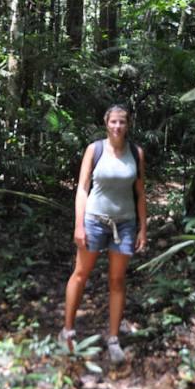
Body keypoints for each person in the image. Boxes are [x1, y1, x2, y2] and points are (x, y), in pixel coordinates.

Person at [59, 104, 147, 364]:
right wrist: (79, 225)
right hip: (94, 221)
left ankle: (113, 339)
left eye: (122, 122)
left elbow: (140, 192)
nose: (117, 126)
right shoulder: (94, 150)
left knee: (117, 281)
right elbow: (82, 188)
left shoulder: (136, 153)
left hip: (125, 224)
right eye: (113, 122)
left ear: (127, 125)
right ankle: (67, 331)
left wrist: (143, 227)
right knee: (80, 274)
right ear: (106, 124)